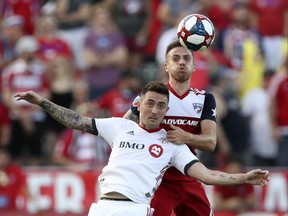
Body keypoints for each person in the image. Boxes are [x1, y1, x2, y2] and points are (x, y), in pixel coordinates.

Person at [14, 81, 269, 216]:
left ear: (166, 110)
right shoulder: (119, 126)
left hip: (136, 209)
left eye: (161, 105)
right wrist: (42, 102)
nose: (155, 109)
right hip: (103, 206)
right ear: (140, 104)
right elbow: (76, 120)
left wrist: (242, 178)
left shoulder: (172, 143)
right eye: (150, 103)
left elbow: (207, 175)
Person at [124, 40, 218, 215]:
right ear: (166, 66)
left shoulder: (205, 99)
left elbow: (210, 142)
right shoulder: (152, 96)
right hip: (156, 178)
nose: (181, 62)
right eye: (175, 58)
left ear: (194, 66)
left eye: (186, 59)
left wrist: (186, 137)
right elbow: (124, 130)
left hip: (188, 175)